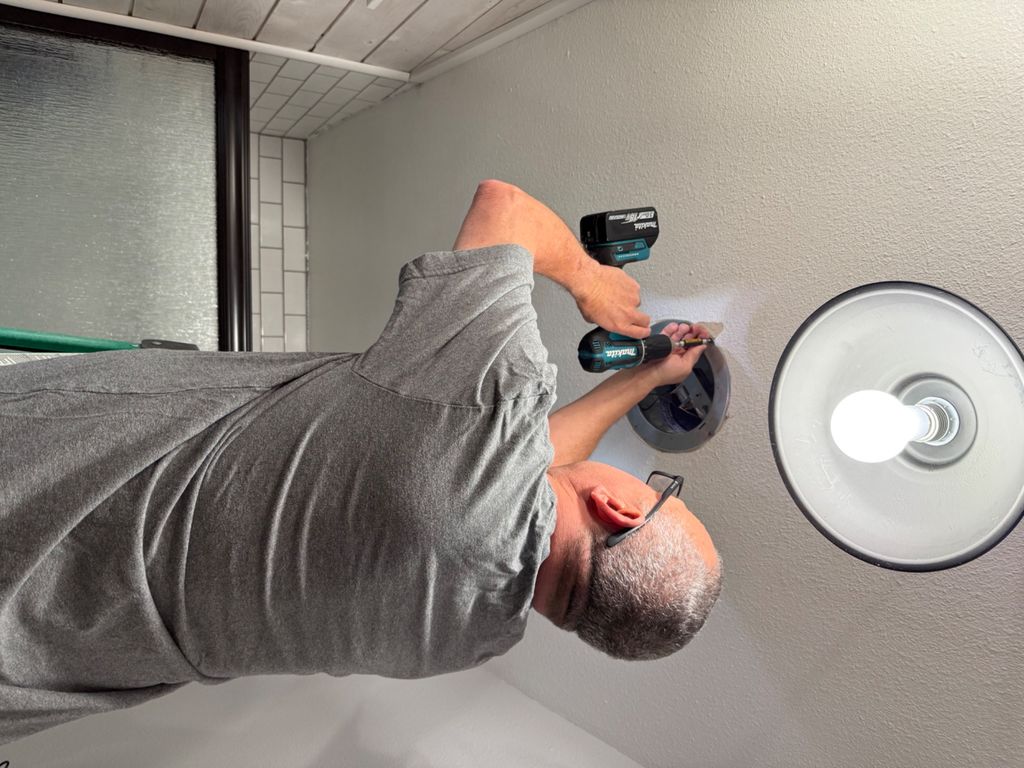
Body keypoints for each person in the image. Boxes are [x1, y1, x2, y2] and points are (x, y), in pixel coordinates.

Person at [0, 180, 720, 745]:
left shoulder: (485, 420)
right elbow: (520, 497)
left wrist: (592, 282)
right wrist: (641, 381)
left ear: (621, 508)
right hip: (53, 655)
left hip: (50, 492)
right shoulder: (468, 638)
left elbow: (504, 209)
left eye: (663, 493)